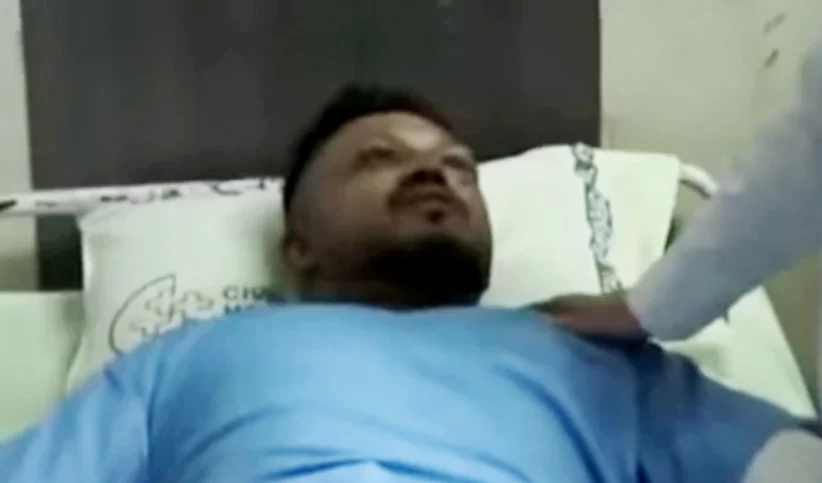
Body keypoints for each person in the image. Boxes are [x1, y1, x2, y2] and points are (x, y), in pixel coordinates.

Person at [0, 85, 798, 482]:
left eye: (459, 167)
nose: (433, 172)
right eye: (378, 159)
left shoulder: (587, 352)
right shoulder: (189, 355)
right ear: (298, 245)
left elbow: (785, 464)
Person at [544, 37, 822, 480]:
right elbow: (808, 151)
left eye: (456, 165)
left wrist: (649, 306)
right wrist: (646, 306)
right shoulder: (546, 336)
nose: (435, 179)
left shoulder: (603, 374)